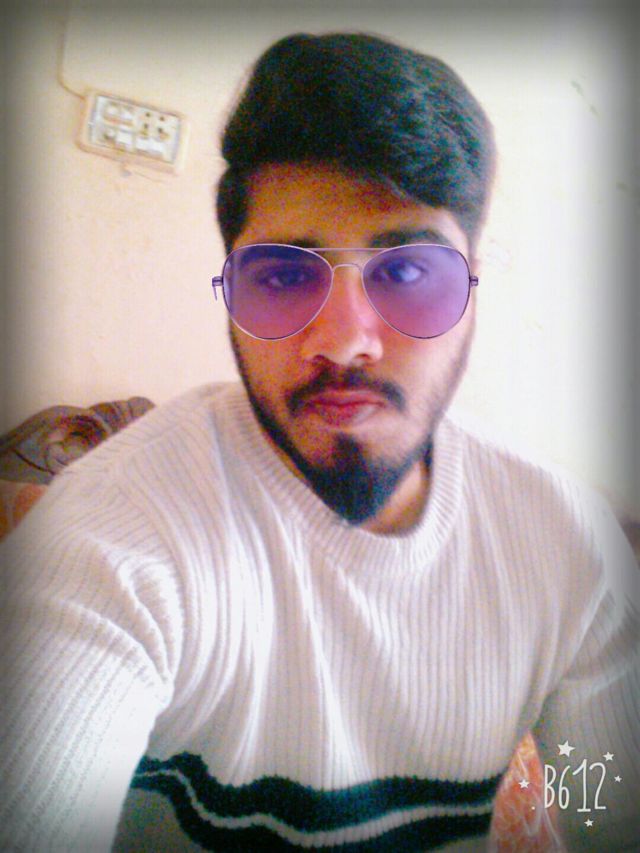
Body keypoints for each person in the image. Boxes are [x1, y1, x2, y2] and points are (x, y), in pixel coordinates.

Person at [2, 31, 638, 852]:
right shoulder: (112, 537)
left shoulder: (568, 549)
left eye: (407, 270)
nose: (343, 342)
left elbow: (605, 809)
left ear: (474, 286)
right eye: (283, 274)